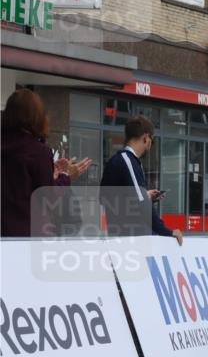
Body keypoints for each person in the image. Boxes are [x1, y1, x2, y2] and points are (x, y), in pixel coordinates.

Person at [1, 89, 92, 237]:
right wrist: (66, 176)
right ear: (36, 117)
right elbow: (48, 197)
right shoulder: (37, 151)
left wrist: (51, 174)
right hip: (28, 236)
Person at [100, 115, 182, 244]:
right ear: (145, 138)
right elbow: (141, 204)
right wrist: (166, 231)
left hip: (122, 238)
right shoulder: (128, 161)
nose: (150, 145)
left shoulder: (122, 161)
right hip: (131, 239)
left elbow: (105, 198)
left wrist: (144, 195)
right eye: (152, 140)